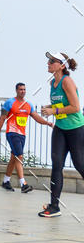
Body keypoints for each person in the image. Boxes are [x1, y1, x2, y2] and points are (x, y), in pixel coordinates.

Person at [38, 51, 84, 217]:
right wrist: (49, 107)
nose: (48, 63)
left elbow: (75, 107)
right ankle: (54, 207)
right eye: (49, 61)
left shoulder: (67, 81)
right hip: (60, 128)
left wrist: (54, 111)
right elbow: (61, 103)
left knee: (80, 164)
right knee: (56, 165)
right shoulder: (53, 83)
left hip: (76, 129)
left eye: (52, 61)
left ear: (62, 65)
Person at [0, 82, 52, 193]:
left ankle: (6, 181)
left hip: (22, 135)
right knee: (19, 156)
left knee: (14, 158)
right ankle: (23, 184)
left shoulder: (28, 104)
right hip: (12, 133)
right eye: (21, 89)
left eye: (24, 89)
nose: (23, 91)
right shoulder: (9, 103)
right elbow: (2, 118)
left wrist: (47, 123)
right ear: (16, 90)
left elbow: (37, 117)